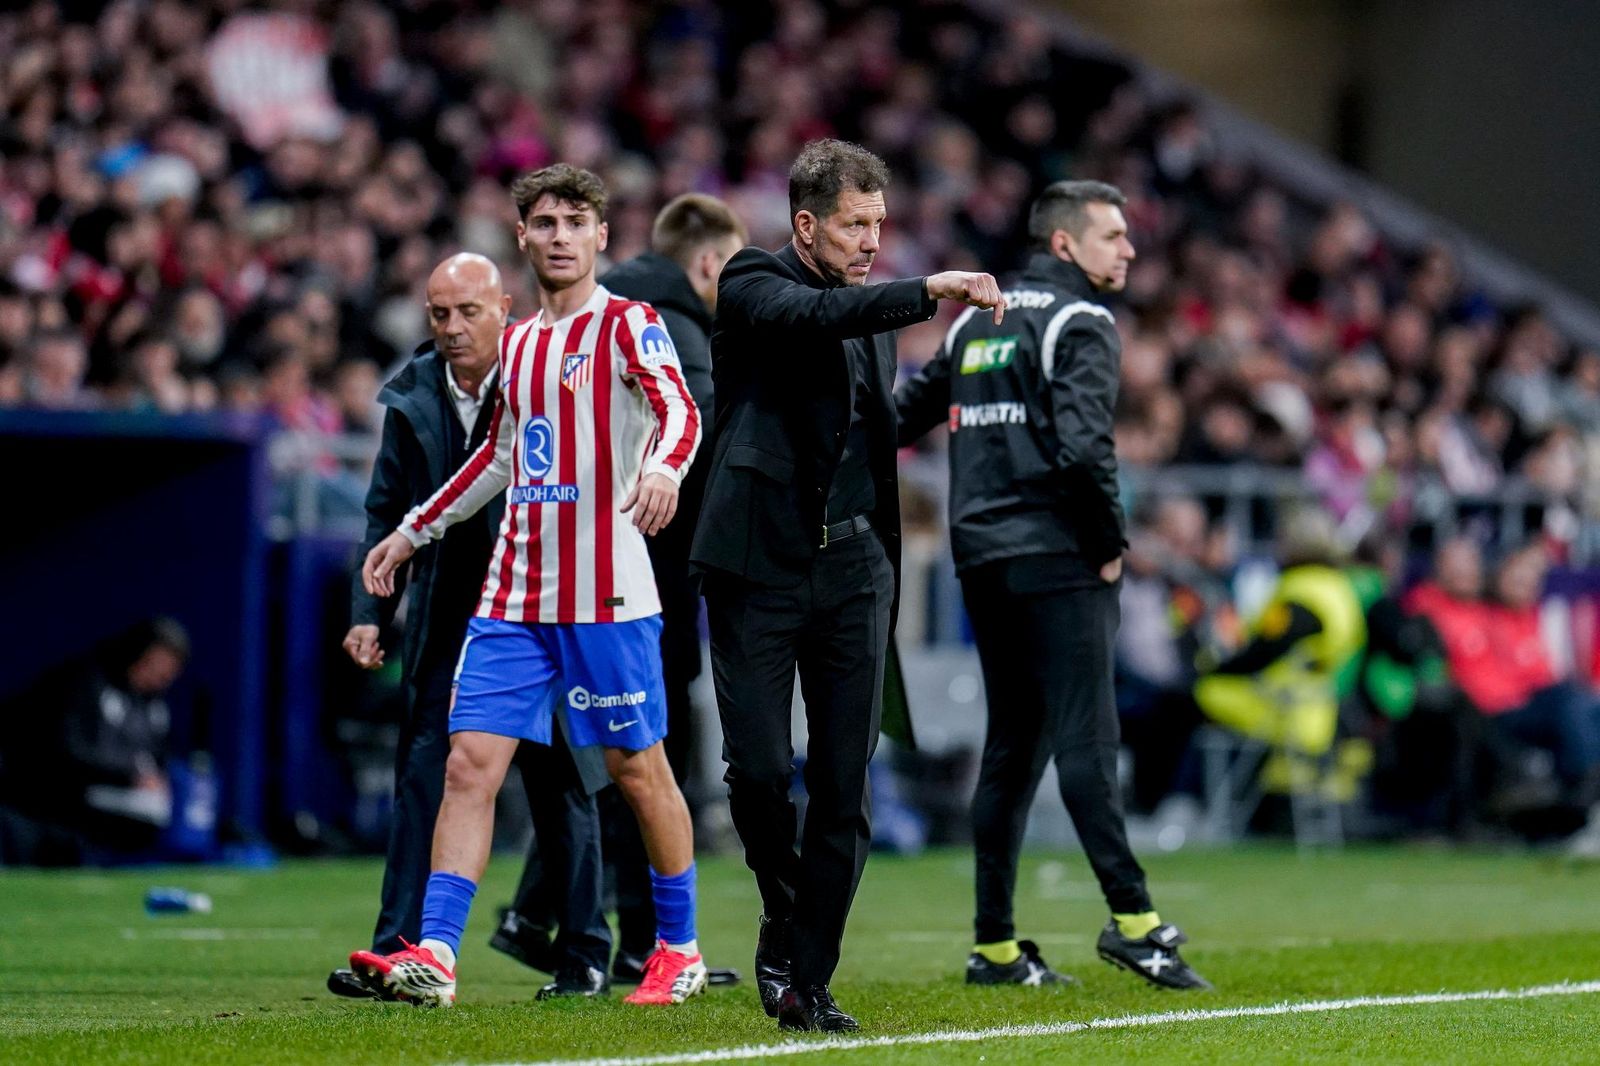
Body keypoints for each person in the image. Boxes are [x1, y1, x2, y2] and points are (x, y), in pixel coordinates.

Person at [347, 164, 705, 1009]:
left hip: (606, 594)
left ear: (600, 237)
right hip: (514, 595)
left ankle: (679, 949)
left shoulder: (629, 325)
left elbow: (678, 410)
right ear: (522, 237)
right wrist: (410, 531)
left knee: (637, 770)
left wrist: (662, 469)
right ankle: (434, 953)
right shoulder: (519, 345)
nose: (557, 237)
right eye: (543, 223)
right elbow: (498, 457)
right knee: (469, 765)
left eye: (574, 222)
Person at [691, 138, 1004, 1032]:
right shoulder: (753, 281)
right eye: (855, 224)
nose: (872, 239)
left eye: (879, 223)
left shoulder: (871, 328)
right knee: (755, 772)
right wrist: (927, 293)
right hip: (758, 565)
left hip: (853, 570)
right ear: (806, 223)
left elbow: (877, 426)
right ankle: (781, 913)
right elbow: (806, 318)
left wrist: (950, 372)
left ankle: (806, 973)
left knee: (843, 781)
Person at [896, 179, 1209, 991]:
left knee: (1013, 748)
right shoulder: (1083, 321)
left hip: (983, 557)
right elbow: (1082, 450)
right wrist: (1109, 544)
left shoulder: (976, 320)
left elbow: (898, 417)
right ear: (1065, 245)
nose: (1129, 250)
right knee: (1086, 740)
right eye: (1113, 236)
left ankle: (995, 947)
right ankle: (1136, 923)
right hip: (1061, 555)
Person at [326, 253, 613, 1003]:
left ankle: (585, 953)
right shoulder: (414, 394)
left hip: (539, 605)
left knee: (560, 782)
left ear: (504, 309)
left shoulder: (543, 374)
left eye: (468, 312)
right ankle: (399, 949)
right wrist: (369, 613)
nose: (453, 329)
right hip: (448, 613)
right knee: (425, 777)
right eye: (439, 314)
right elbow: (383, 511)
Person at [493, 194, 747, 986]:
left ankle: (552, 922)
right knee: (634, 762)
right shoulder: (664, 326)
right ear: (708, 263)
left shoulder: (609, 314)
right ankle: (645, 940)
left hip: (548, 578)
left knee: (595, 765)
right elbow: (698, 436)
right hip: (630, 587)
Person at [0, 617, 187, 865]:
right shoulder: (84, 682)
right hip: (51, 801)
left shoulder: (153, 705)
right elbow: (66, 752)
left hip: (126, 808)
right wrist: (128, 778)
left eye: (167, 674)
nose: (158, 677)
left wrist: (156, 780)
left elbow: (158, 757)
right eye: (152, 665)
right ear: (136, 653)